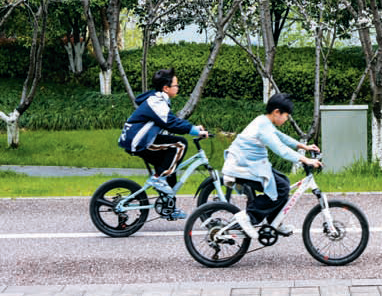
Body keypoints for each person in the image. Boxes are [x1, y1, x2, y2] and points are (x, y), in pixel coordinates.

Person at [221, 92, 321, 236]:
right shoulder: (263, 127)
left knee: (283, 183)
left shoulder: (263, 121)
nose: (286, 119)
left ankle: (274, 221)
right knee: (281, 189)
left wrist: (304, 147)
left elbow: (281, 137)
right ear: (276, 112)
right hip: (243, 166)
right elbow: (280, 149)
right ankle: (248, 217)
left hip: (251, 163)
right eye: (286, 115)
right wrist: (305, 159)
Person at [118, 68, 207, 205]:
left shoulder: (158, 99)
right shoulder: (156, 101)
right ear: (166, 88)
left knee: (170, 167)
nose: (178, 88)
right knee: (180, 144)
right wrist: (195, 131)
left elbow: (169, 121)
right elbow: (170, 123)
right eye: (176, 85)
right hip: (138, 141)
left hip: (142, 139)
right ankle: (158, 178)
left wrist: (194, 128)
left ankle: (169, 207)